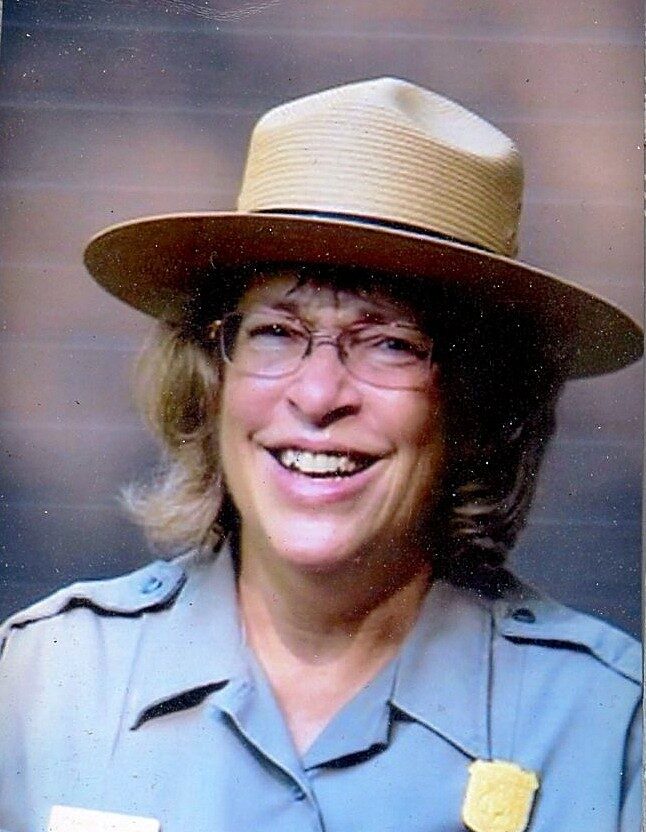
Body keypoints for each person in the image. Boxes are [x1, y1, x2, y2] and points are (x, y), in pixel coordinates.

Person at [0, 78, 641, 832]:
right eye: (275, 332)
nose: (317, 394)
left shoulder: (610, 730)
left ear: (477, 401)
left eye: (392, 343)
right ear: (214, 375)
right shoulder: (39, 684)